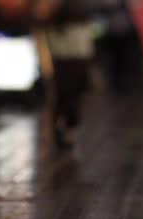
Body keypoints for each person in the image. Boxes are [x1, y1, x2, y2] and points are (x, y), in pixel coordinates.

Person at [32, 0, 94, 148]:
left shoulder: (74, 12)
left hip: (71, 56)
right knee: (65, 95)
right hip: (65, 56)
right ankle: (64, 127)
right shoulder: (57, 12)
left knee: (69, 95)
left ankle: (66, 127)